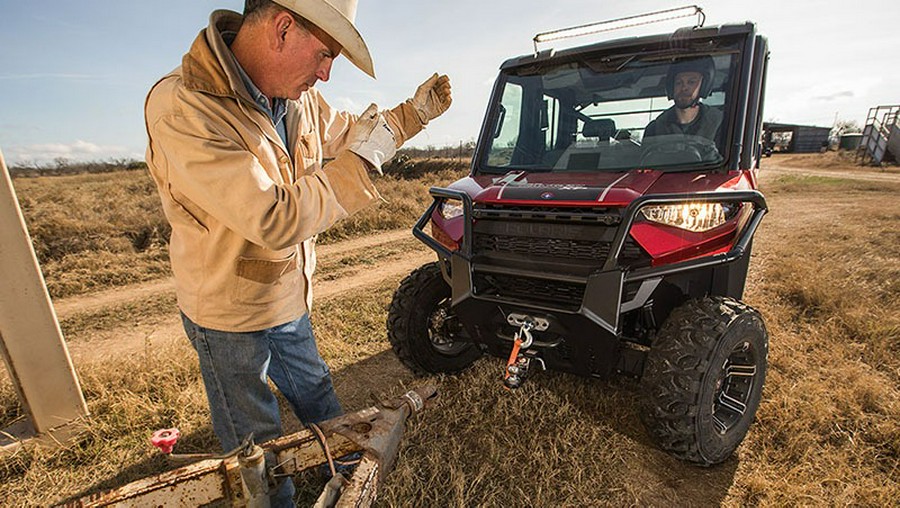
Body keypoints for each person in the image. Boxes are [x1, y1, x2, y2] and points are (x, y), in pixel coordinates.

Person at [143, 0, 450, 504]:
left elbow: (348, 132)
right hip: (228, 314)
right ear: (283, 28)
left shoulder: (295, 97)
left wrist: (410, 116)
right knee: (256, 444)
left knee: (318, 399)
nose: (327, 74)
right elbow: (274, 218)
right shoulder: (186, 105)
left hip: (286, 297)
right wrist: (360, 168)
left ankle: (351, 477)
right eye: (325, 54)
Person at [643, 56, 722, 143]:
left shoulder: (720, 124)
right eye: (679, 83)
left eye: (691, 82)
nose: (684, 88)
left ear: (703, 86)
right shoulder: (655, 130)